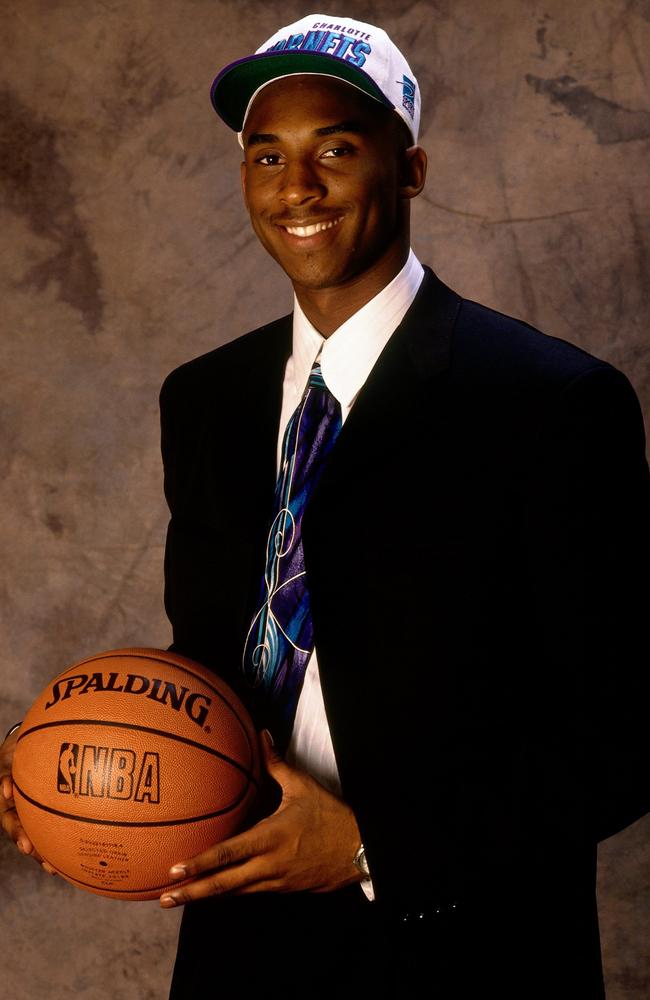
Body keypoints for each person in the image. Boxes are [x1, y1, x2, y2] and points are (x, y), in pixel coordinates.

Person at [2, 13, 648, 999]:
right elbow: (212, 658)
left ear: (411, 168)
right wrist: (87, 774)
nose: (294, 189)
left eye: (333, 150)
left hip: (460, 944)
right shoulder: (206, 398)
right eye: (266, 156)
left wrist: (370, 845)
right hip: (240, 938)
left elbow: (622, 734)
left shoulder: (548, 402)